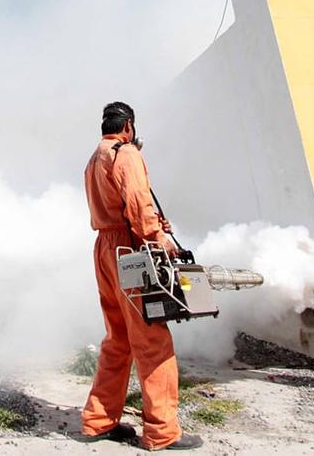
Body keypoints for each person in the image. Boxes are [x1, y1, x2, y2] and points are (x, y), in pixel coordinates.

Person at [78, 101, 202, 451]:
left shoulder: (94, 158)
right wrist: (158, 239)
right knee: (152, 340)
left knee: (118, 338)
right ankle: (163, 433)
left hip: (104, 249)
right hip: (129, 252)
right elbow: (137, 202)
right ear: (128, 126)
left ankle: (98, 421)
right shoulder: (126, 153)